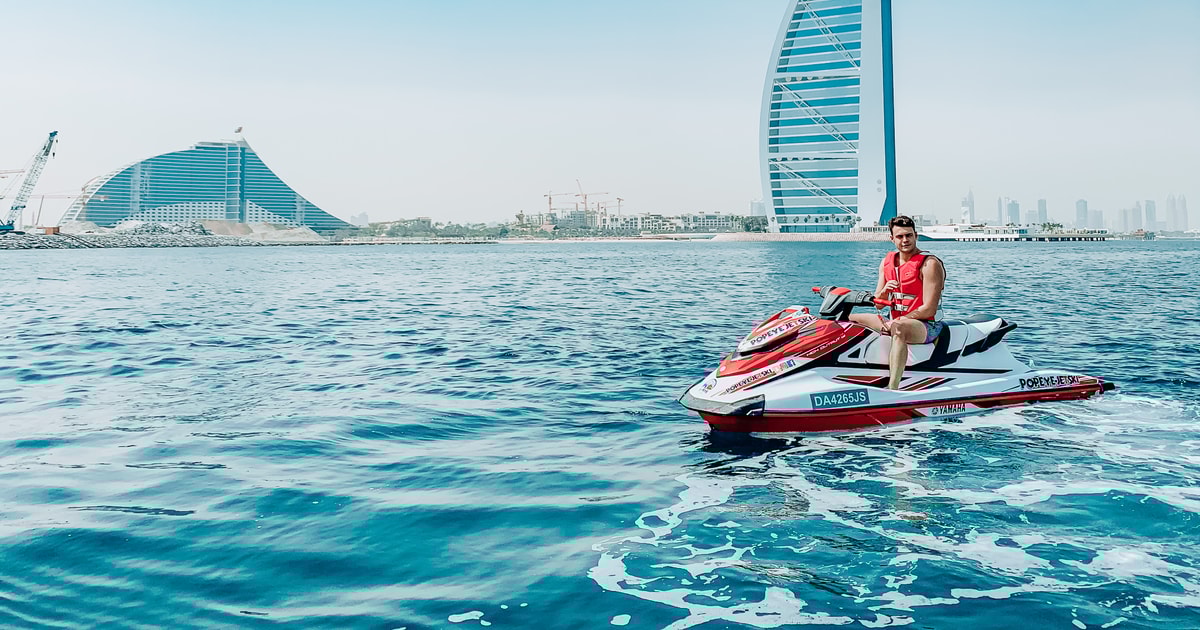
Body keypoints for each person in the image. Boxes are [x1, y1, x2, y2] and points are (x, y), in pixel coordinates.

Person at [849, 215, 946, 390]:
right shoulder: (886, 263)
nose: (905, 240)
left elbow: (929, 308)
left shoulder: (929, 264)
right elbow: (879, 304)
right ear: (891, 238)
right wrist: (885, 291)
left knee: (899, 329)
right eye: (900, 236)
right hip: (894, 320)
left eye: (909, 235)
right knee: (850, 318)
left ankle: (893, 387)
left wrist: (898, 321)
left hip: (927, 325)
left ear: (916, 235)